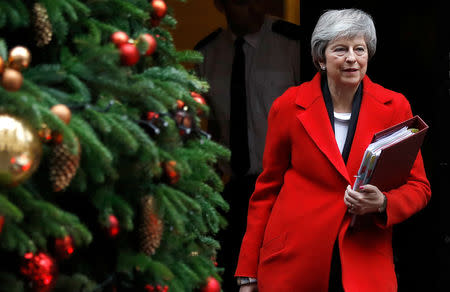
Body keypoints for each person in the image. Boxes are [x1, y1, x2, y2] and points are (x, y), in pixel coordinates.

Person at [235, 8, 431, 292]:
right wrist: (248, 271)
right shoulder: (288, 106)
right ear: (320, 58)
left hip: (363, 259)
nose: (352, 58)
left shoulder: (395, 106)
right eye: (340, 49)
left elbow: (419, 186)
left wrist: (383, 203)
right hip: (294, 261)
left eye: (359, 49)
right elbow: (267, 190)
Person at [194, 0, 302, 290]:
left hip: (286, 189)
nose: (254, 7)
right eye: (242, 1)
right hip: (236, 191)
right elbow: (212, 127)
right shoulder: (207, 53)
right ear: (221, 4)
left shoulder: (292, 44)